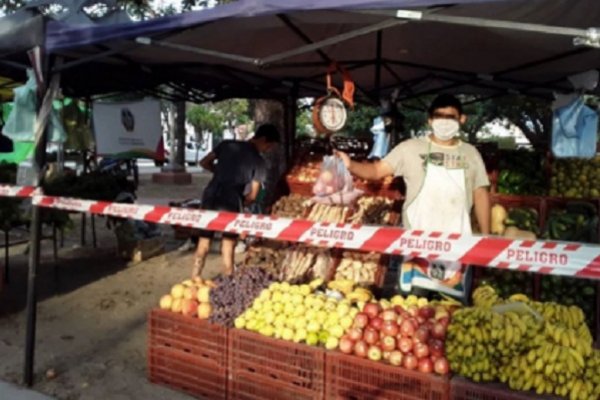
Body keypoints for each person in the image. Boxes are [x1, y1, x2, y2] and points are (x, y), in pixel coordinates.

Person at [336, 94, 490, 299]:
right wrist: (351, 165)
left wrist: (488, 239)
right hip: (417, 247)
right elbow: (375, 171)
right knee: (414, 312)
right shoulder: (410, 149)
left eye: (450, 117)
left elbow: (480, 194)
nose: (444, 122)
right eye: (439, 116)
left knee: (452, 318)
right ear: (430, 120)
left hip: (457, 248)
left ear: (462, 120)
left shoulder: (471, 154)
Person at [192, 123, 280, 278]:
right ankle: (228, 280)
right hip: (231, 199)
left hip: (211, 194)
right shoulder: (259, 162)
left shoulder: (226, 145)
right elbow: (253, 195)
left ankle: (194, 277)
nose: (268, 150)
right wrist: (243, 202)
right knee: (228, 244)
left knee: (204, 241)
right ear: (264, 139)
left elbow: (204, 162)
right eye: (269, 146)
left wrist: (219, 172)